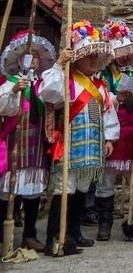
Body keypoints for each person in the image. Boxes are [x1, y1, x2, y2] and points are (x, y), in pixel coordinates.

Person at [39, 20, 119, 255]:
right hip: (71, 145)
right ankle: (55, 237)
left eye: (96, 56)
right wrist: (58, 65)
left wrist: (109, 139)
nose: (94, 60)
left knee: (82, 190)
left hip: (92, 147)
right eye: (89, 56)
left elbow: (108, 115)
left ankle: (74, 233)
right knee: (65, 188)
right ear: (78, 58)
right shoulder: (67, 80)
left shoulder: (101, 87)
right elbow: (49, 94)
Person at [96, 19, 133, 241]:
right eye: (120, 55)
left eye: (127, 54)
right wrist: (116, 98)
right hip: (114, 131)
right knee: (107, 180)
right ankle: (104, 224)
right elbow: (99, 102)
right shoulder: (104, 76)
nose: (124, 59)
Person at [0, 30, 57, 251]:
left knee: (33, 189)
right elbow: (4, 107)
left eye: (35, 56)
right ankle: (4, 234)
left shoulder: (42, 84)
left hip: (36, 143)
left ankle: (30, 234)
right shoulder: (9, 82)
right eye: (27, 55)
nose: (31, 59)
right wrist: (15, 90)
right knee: (7, 191)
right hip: (14, 141)